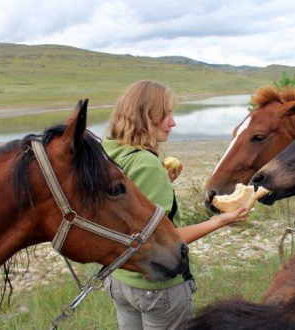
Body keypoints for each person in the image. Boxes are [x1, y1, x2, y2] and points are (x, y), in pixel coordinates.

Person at [102, 80, 247, 330]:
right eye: (165, 114)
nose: (173, 122)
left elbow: (123, 213)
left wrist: (163, 183)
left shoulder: (109, 152)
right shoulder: (146, 164)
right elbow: (162, 242)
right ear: (145, 117)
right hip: (155, 287)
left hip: (119, 280)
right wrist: (218, 221)